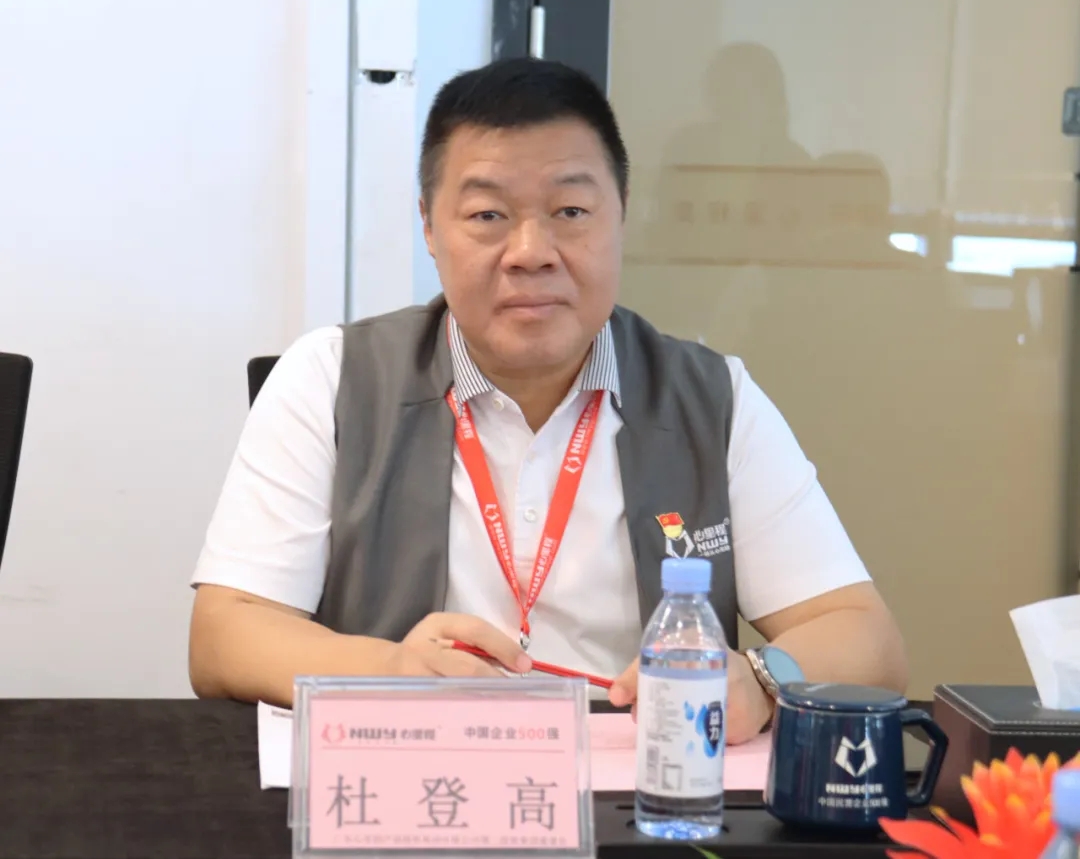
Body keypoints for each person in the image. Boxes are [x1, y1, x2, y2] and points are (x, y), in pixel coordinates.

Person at [188, 58, 907, 745]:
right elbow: (224, 634)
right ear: (429, 226)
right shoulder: (331, 378)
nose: (531, 251)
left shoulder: (713, 400)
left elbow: (865, 637)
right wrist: (389, 670)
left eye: (570, 210)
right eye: (487, 215)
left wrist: (760, 676)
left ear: (621, 215)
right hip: (408, 774)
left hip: (638, 789)